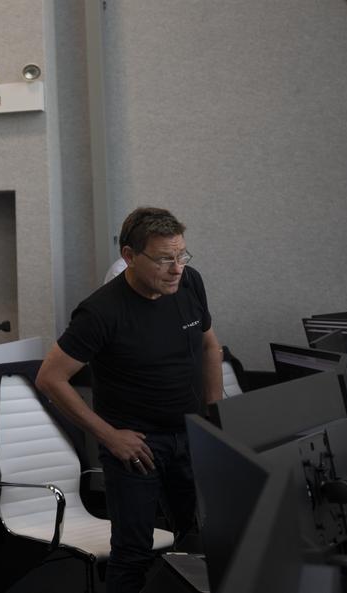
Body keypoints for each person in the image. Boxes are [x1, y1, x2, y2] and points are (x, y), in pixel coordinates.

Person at [35, 206, 221, 593]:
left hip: (190, 433)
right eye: (164, 259)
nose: (176, 268)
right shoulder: (101, 311)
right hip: (136, 447)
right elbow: (51, 378)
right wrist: (110, 436)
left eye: (182, 256)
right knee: (133, 553)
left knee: (201, 541)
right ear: (130, 256)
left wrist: (215, 417)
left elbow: (209, 345)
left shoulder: (190, 284)